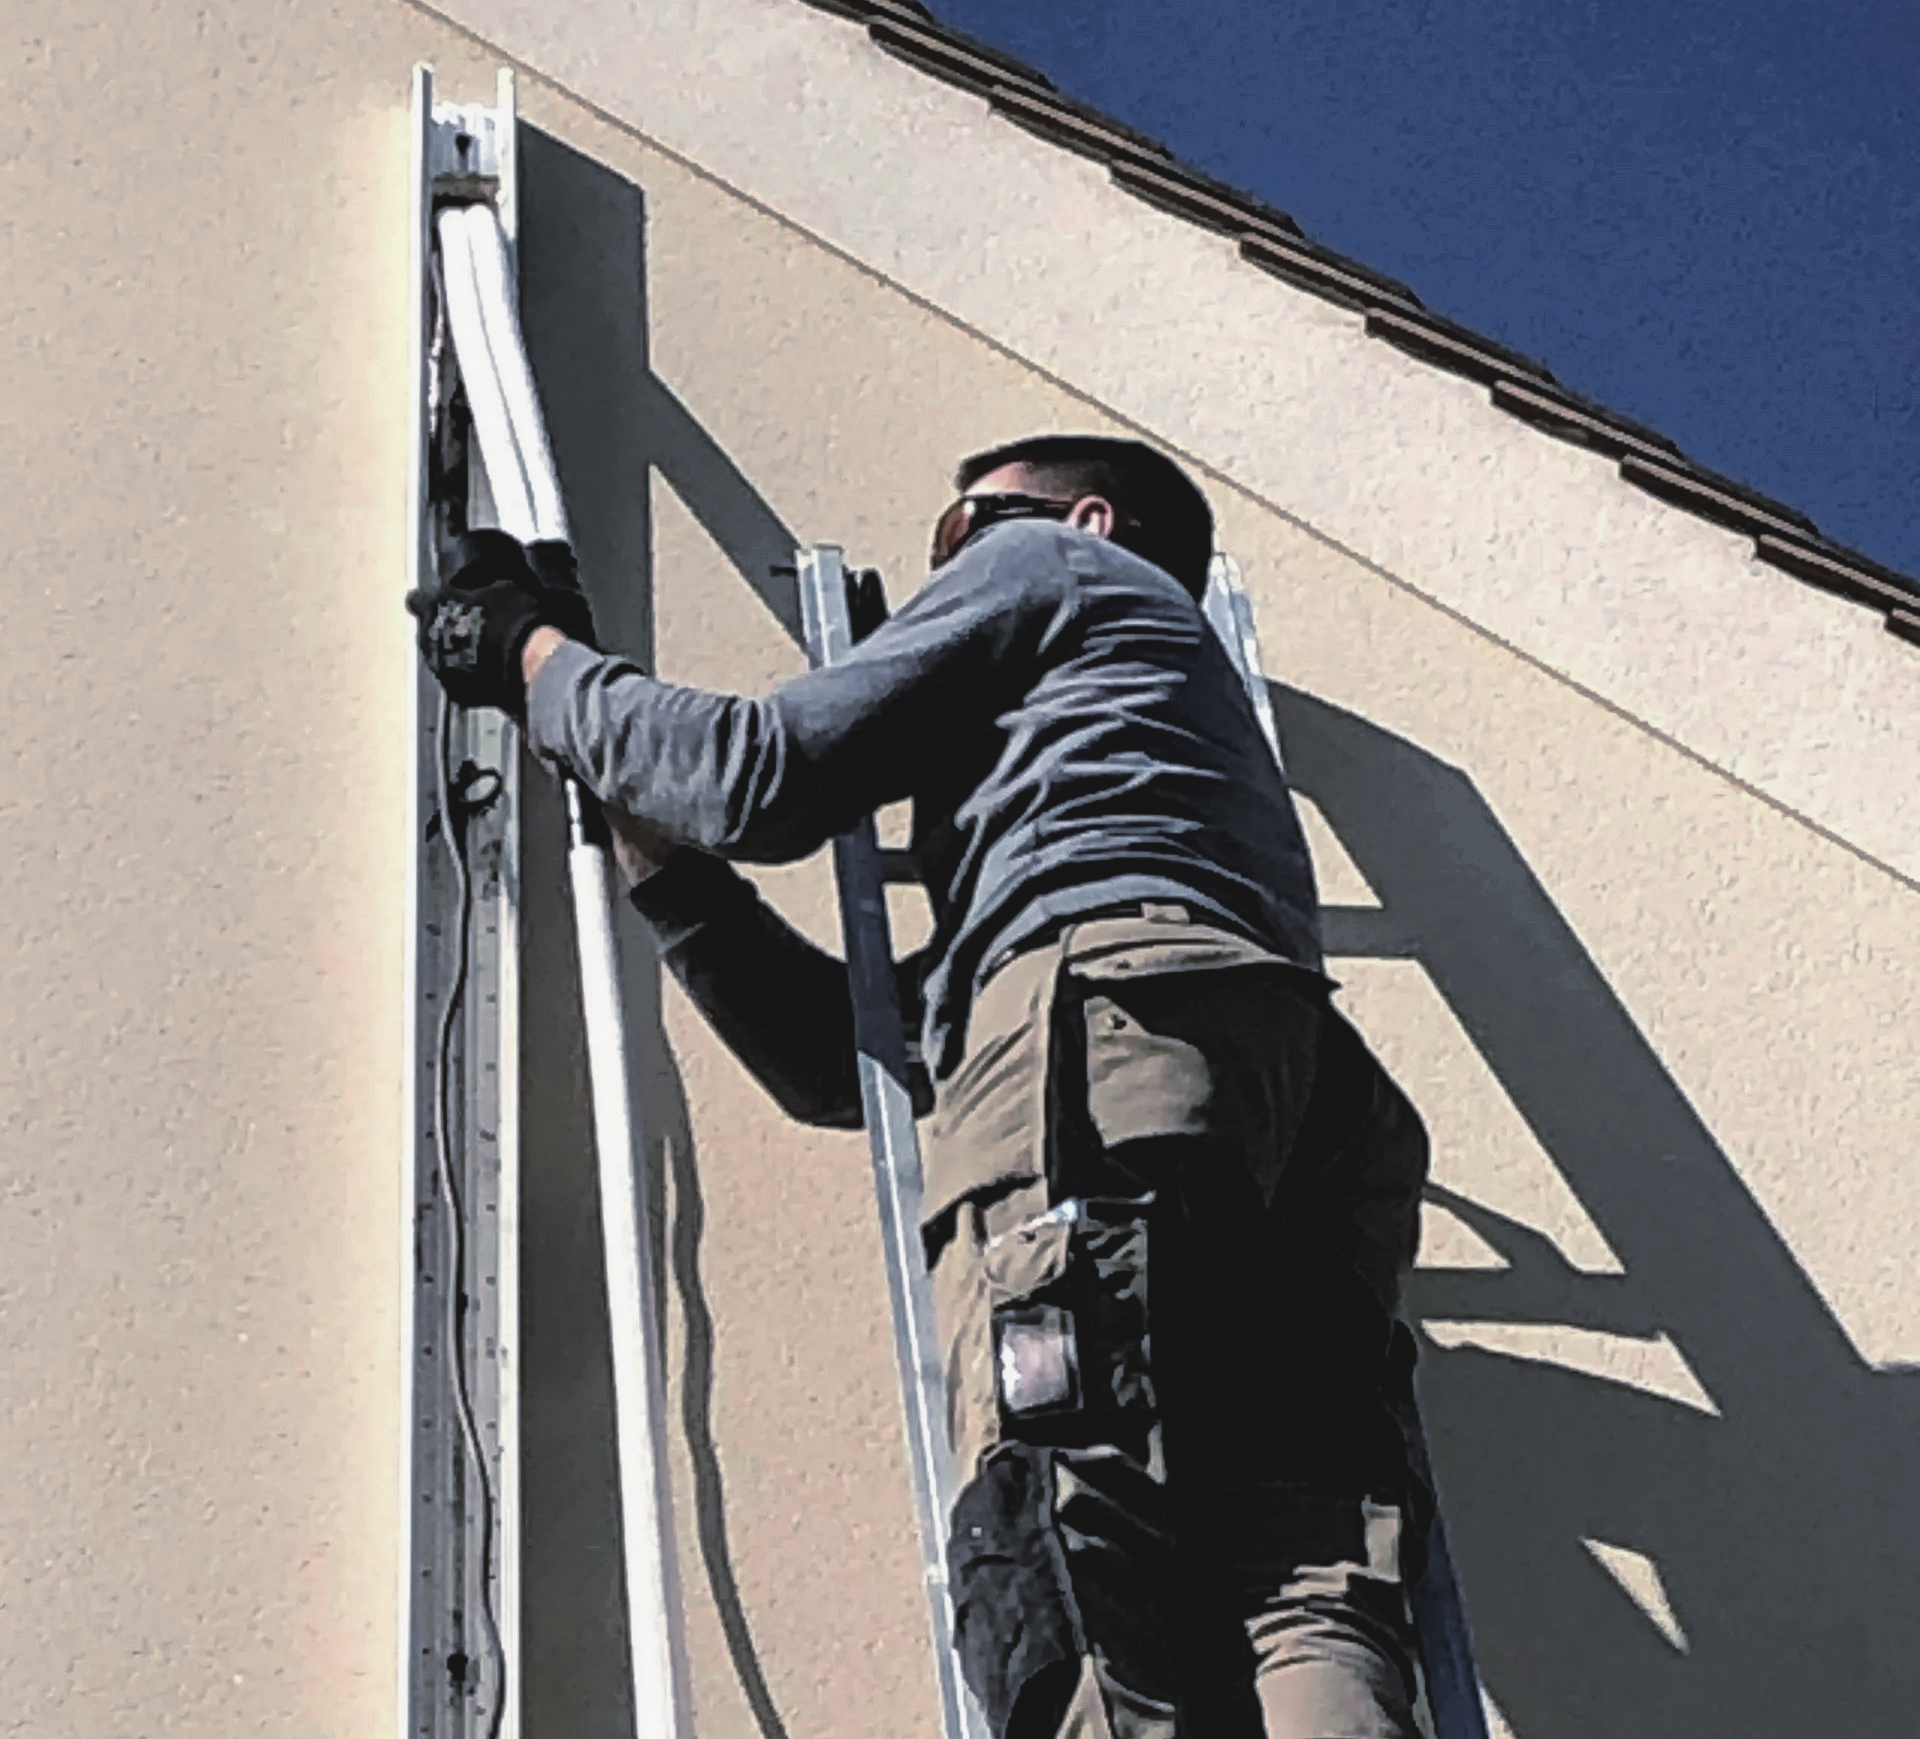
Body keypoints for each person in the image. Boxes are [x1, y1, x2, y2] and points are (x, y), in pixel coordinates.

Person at [411, 434, 1432, 1739]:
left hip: (1109, 1013)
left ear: (1090, 517)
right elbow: (842, 1061)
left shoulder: (1051, 564)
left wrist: (525, 655)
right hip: (1298, 1095)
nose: (955, 560)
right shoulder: (1125, 766)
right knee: (1301, 1562)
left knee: (1065, 1506)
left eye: (964, 525)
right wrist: (629, 802)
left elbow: (753, 775)